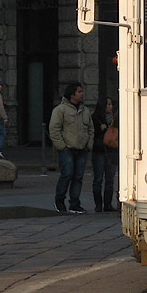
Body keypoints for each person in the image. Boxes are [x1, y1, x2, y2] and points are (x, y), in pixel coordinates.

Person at [49, 82, 93, 214]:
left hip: (82, 149)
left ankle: (74, 203)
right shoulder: (60, 110)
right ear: (72, 94)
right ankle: (59, 200)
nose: (82, 94)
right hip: (67, 148)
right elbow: (54, 129)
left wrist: (88, 144)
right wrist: (61, 146)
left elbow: (90, 129)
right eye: (79, 92)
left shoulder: (85, 111)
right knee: (67, 174)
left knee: (78, 177)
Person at [91, 96, 118, 212]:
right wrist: (102, 129)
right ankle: (98, 204)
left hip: (111, 151)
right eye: (108, 104)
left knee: (110, 179)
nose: (110, 107)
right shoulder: (95, 118)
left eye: (111, 104)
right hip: (99, 150)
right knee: (98, 179)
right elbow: (93, 134)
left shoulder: (115, 119)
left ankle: (107, 204)